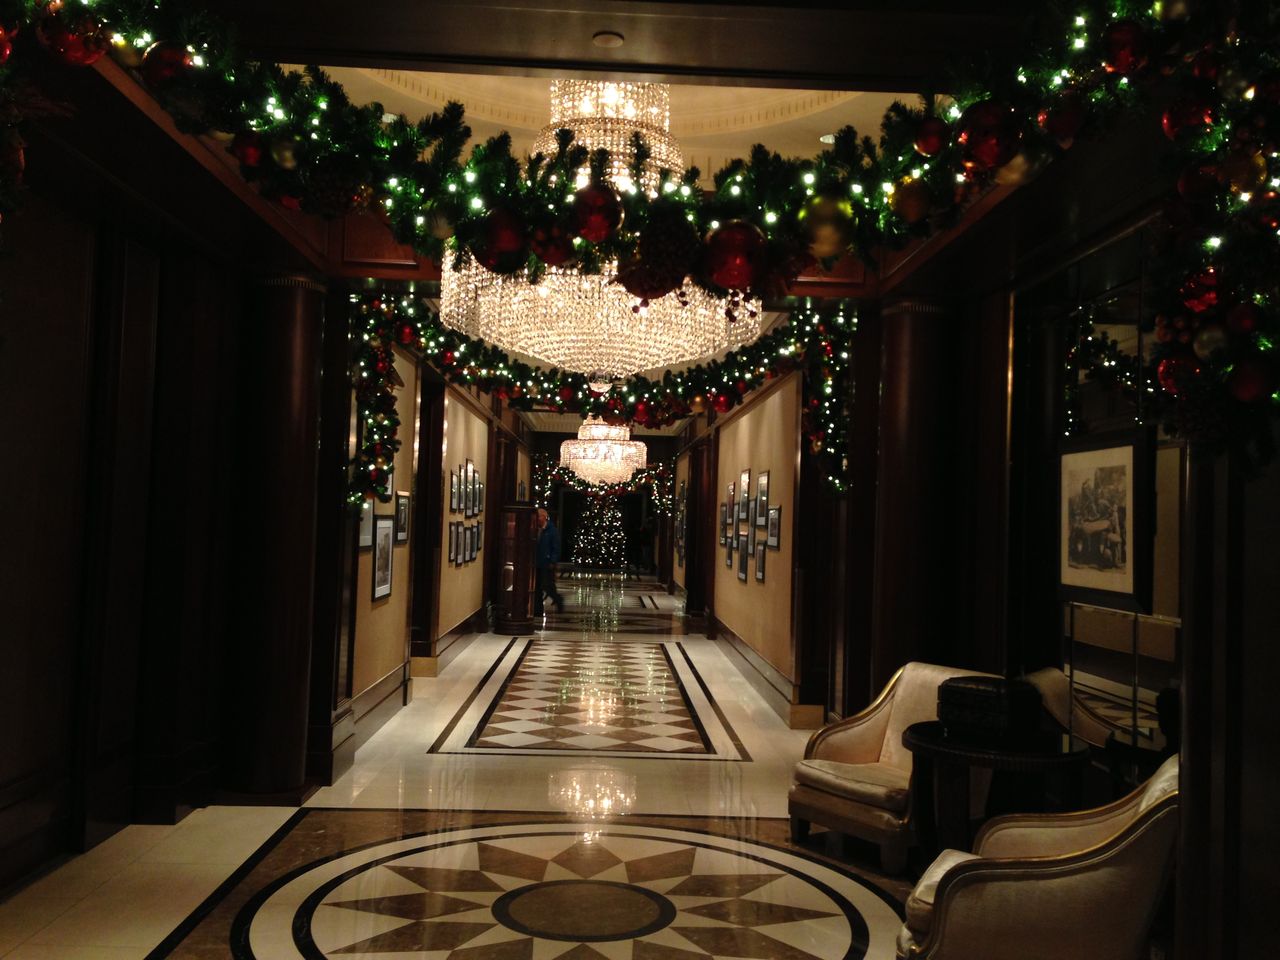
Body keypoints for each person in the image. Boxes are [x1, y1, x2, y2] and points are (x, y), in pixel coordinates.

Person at [535, 507, 564, 614]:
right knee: (537, 587)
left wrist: (553, 561)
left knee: (547, 586)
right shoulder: (536, 529)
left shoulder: (552, 531)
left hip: (547, 563)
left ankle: (558, 600)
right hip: (537, 563)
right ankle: (537, 610)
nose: (537, 519)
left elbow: (556, 547)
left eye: (539, 516)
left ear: (544, 517)